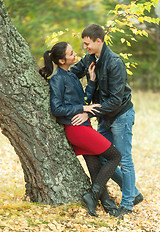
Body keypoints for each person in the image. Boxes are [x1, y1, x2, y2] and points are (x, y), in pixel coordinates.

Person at [39, 41, 122, 217]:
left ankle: (109, 206)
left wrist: (91, 81)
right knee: (115, 156)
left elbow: (83, 99)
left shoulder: (70, 76)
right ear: (62, 61)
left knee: (95, 168)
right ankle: (92, 196)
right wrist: (82, 109)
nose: (75, 54)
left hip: (83, 126)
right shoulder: (57, 80)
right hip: (76, 129)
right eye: (71, 53)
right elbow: (57, 109)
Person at [70, 24, 143, 216]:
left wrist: (88, 113)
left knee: (124, 160)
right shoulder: (89, 59)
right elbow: (70, 75)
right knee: (102, 155)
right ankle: (134, 193)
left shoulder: (114, 62)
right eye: (83, 44)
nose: (84, 47)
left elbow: (115, 100)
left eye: (87, 44)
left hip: (120, 116)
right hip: (104, 117)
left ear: (98, 41)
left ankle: (127, 205)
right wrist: (54, 79)